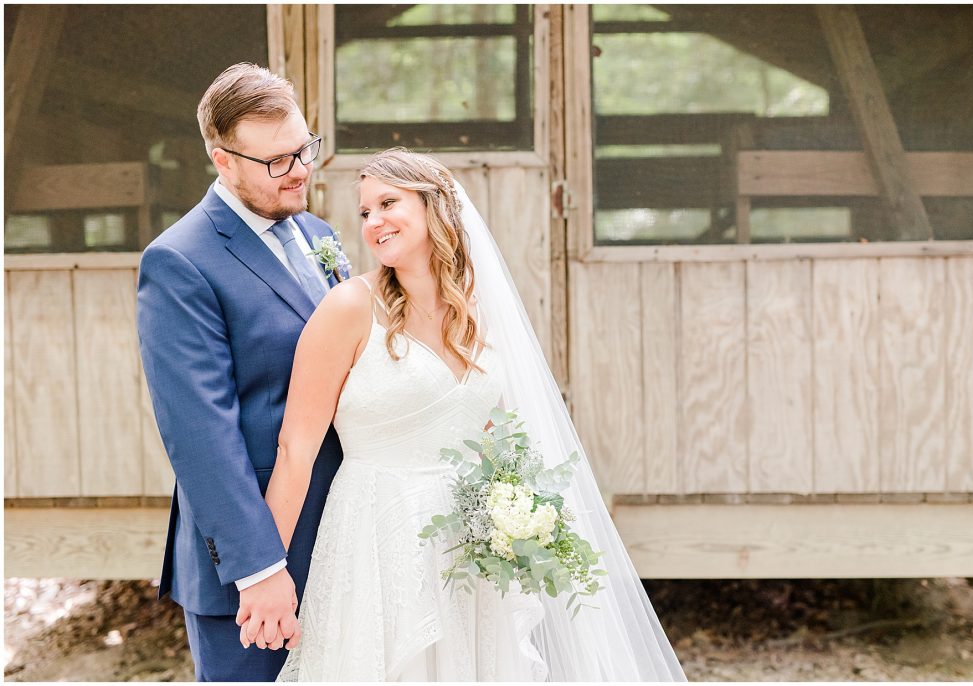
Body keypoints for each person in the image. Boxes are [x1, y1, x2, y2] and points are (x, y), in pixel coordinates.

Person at [265, 148, 687, 681]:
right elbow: (295, 449)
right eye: (365, 212)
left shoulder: (480, 308)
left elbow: (497, 436)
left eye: (387, 203)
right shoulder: (348, 307)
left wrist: (519, 519)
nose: (373, 223)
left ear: (434, 206)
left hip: (469, 551)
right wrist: (266, 571)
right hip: (376, 536)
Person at [136, 63, 347, 681]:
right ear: (222, 161)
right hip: (252, 567)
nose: (300, 171)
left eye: (304, 149)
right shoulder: (179, 262)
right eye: (277, 161)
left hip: (344, 534)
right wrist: (259, 569)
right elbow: (201, 435)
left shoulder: (318, 233)